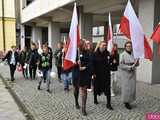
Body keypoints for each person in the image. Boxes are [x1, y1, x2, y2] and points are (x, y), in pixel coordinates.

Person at [93, 41, 113, 110]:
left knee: (107, 89)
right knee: (96, 88)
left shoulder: (107, 53)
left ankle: (108, 104)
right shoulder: (95, 54)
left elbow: (110, 62)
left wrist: (111, 58)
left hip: (106, 75)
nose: (104, 46)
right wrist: (93, 73)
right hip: (97, 75)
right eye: (103, 45)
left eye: (105, 45)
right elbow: (93, 65)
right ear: (99, 45)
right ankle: (95, 98)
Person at [119, 41, 139, 110]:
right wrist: (129, 67)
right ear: (125, 47)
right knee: (126, 88)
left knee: (132, 88)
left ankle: (130, 100)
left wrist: (137, 61)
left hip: (133, 73)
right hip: (126, 74)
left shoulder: (134, 54)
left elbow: (137, 65)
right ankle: (126, 102)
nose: (129, 47)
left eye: (130, 46)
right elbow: (121, 65)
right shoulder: (122, 54)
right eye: (127, 46)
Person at [79, 40, 93, 116]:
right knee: (79, 90)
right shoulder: (77, 53)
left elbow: (91, 63)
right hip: (78, 73)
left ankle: (83, 107)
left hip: (86, 73)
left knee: (84, 89)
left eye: (87, 44)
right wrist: (77, 64)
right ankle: (77, 102)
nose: (86, 45)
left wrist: (84, 67)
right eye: (85, 44)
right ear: (81, 45)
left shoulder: (88, 52)